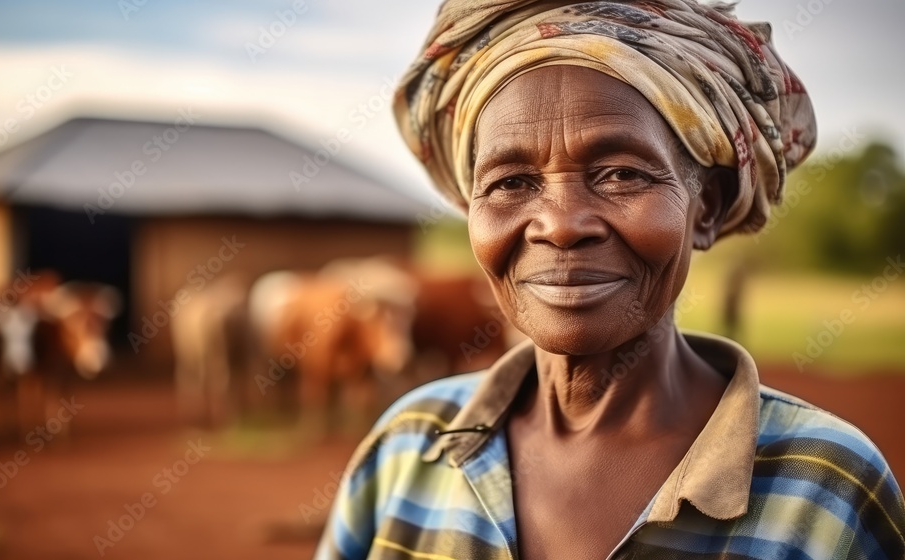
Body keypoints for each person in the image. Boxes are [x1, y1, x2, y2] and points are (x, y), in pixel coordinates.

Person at [315, 1, 905, 558]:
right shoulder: (407, 446)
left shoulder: (828, 489)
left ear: (707, 207)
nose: (560, 225)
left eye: (622, 174)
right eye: (511, 182)